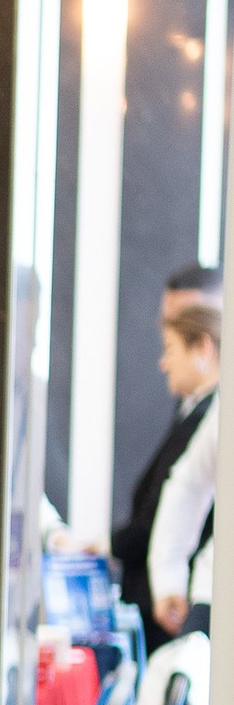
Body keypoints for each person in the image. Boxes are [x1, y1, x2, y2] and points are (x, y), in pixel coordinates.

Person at [114, 266, 219, 639]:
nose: (163, 362)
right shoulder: (215, 415)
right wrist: (170, 575)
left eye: (170, 347)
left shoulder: (211, 409)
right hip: (202, 597)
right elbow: (185, 486)